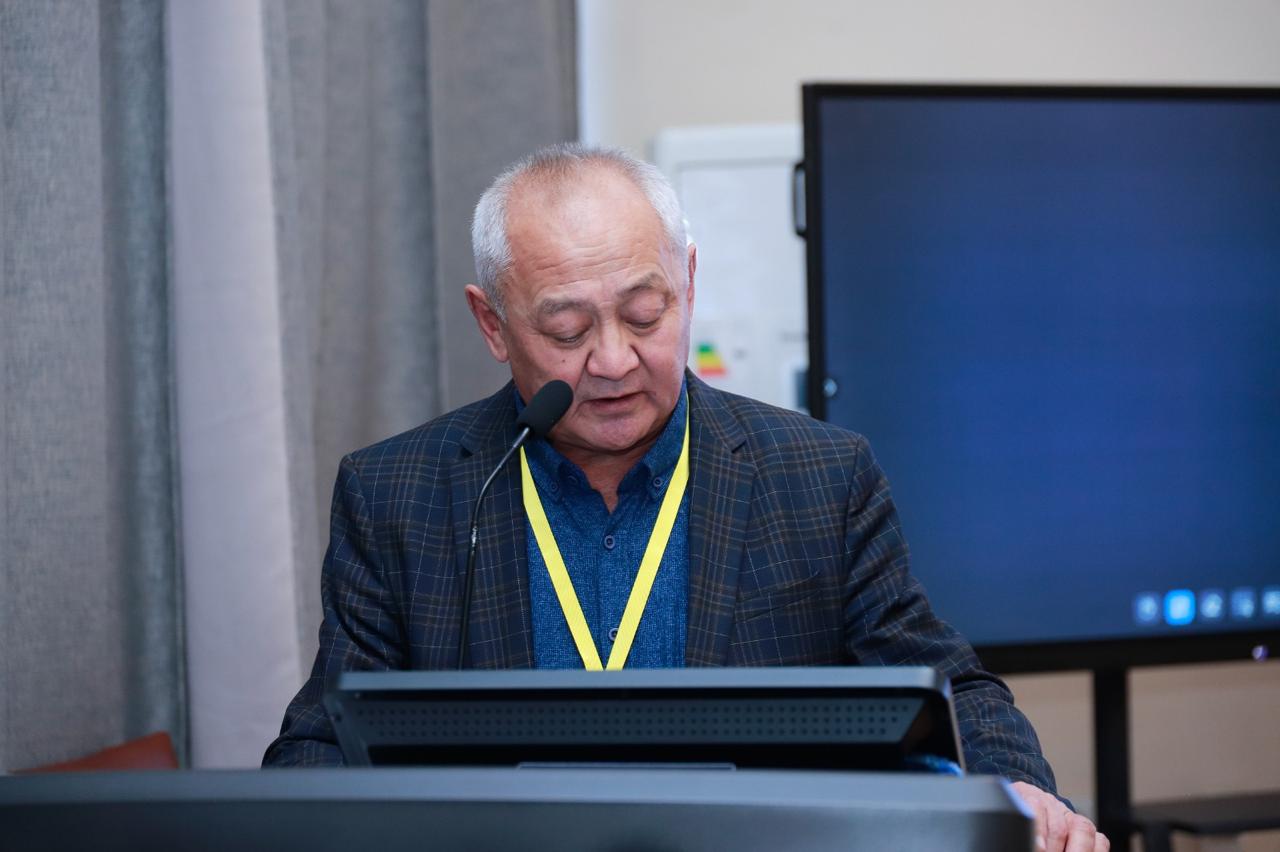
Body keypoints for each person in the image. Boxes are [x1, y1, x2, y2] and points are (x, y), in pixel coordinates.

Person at [265, 143, 1107, 852]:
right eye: (566, 331)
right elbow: (323, 744)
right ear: (493, 325)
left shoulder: (818, 477)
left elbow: (952, 693)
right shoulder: (398, 496)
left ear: (689, 282)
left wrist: (1023, 795)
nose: (613, 361)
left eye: (645, 314)